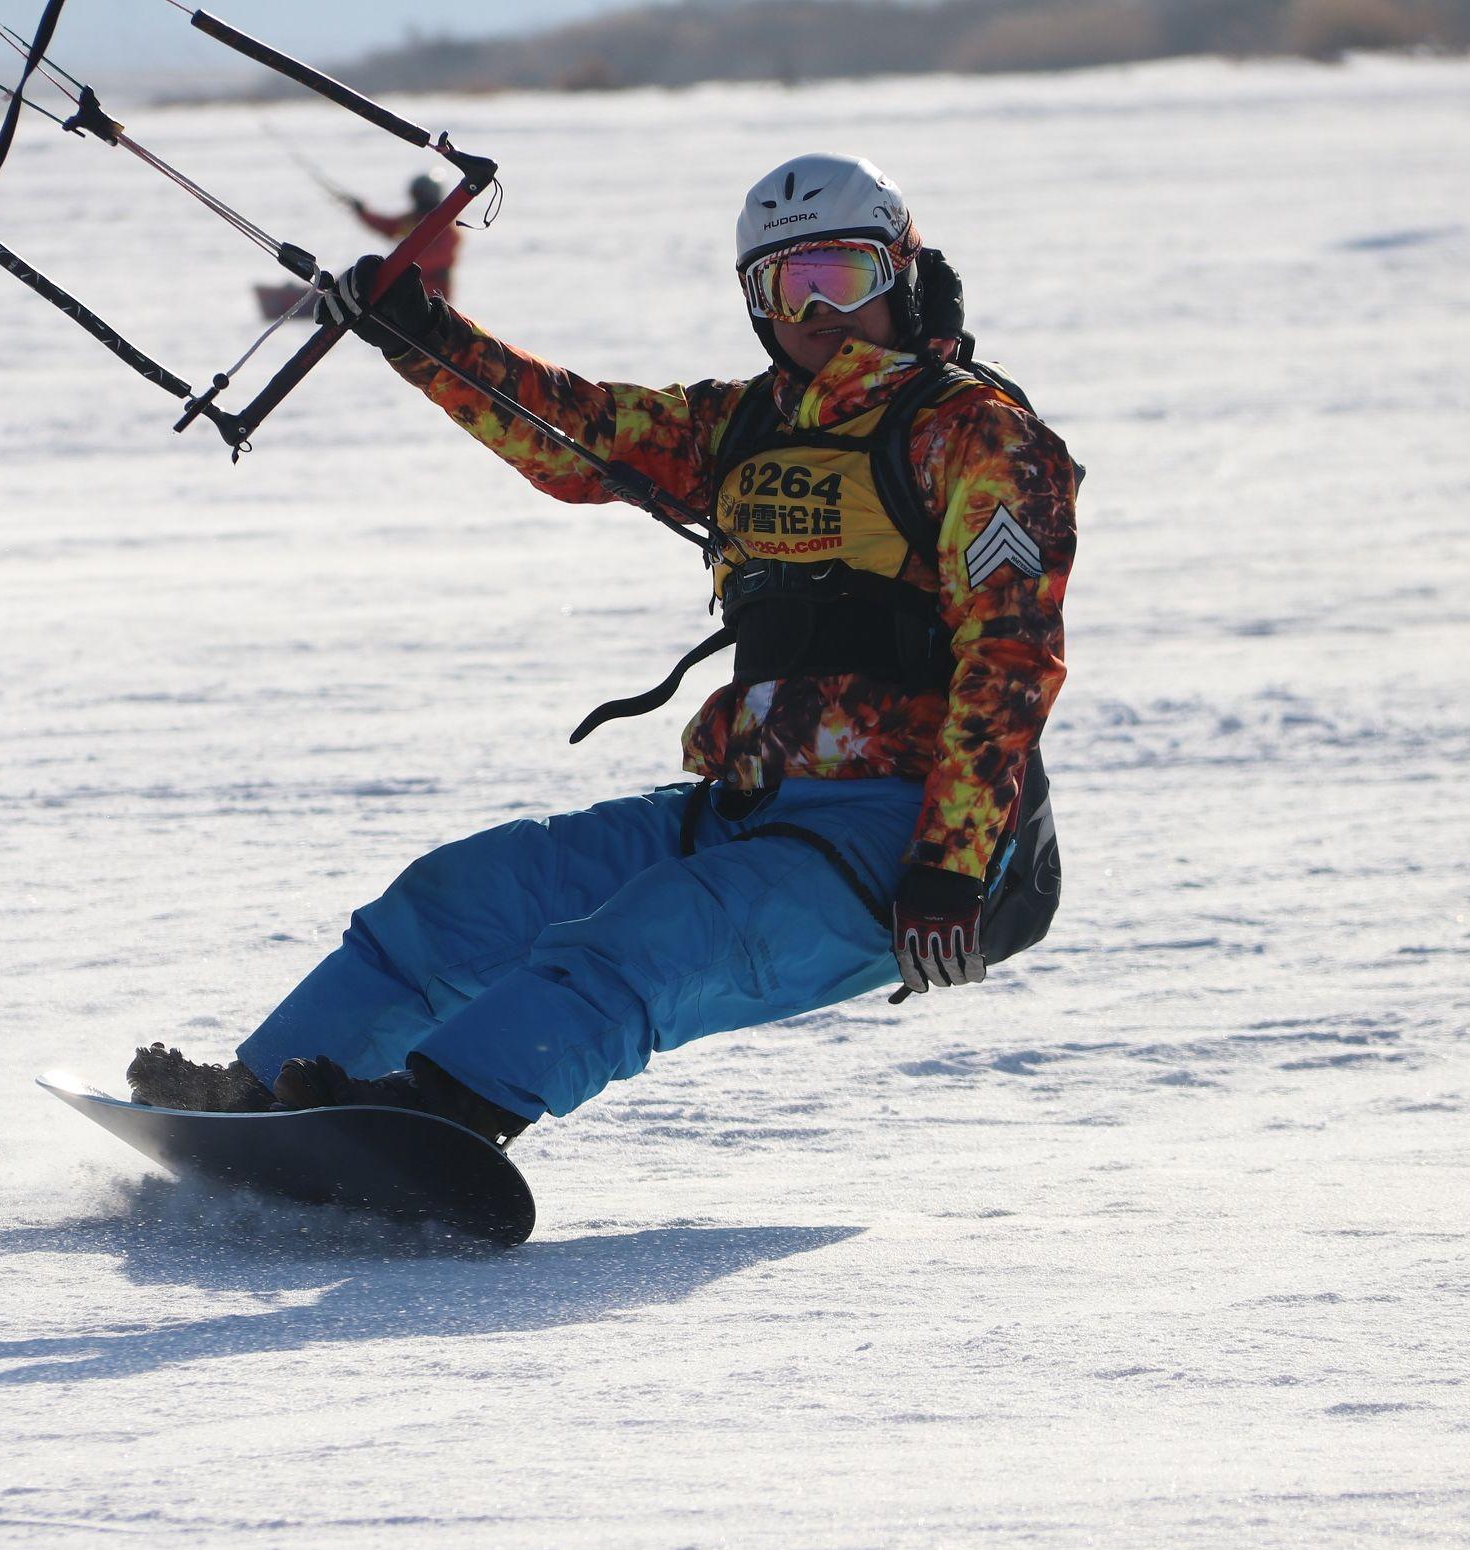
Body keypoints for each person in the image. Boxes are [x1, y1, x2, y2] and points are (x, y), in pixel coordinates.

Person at [131, 153, 1077, 1144]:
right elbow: (578, 433)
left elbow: (1010, 658)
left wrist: (952, 866)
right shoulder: (743, 422)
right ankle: (252, 1106)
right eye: (786, 287)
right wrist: (424, 336)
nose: (818, 311)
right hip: (748, 813)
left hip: (902, 841)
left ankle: (433, 1125)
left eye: (842, 275)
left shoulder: (976, 433)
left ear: (901, 273)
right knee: (464, 898)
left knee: (640, 942)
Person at [346, 173, 461, 301]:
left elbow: (434, 259)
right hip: (407, 291)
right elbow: (387, 226)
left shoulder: (446, 228)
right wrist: (363, 212)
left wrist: (392, 265)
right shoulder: (413, 220)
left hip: (433, 296)